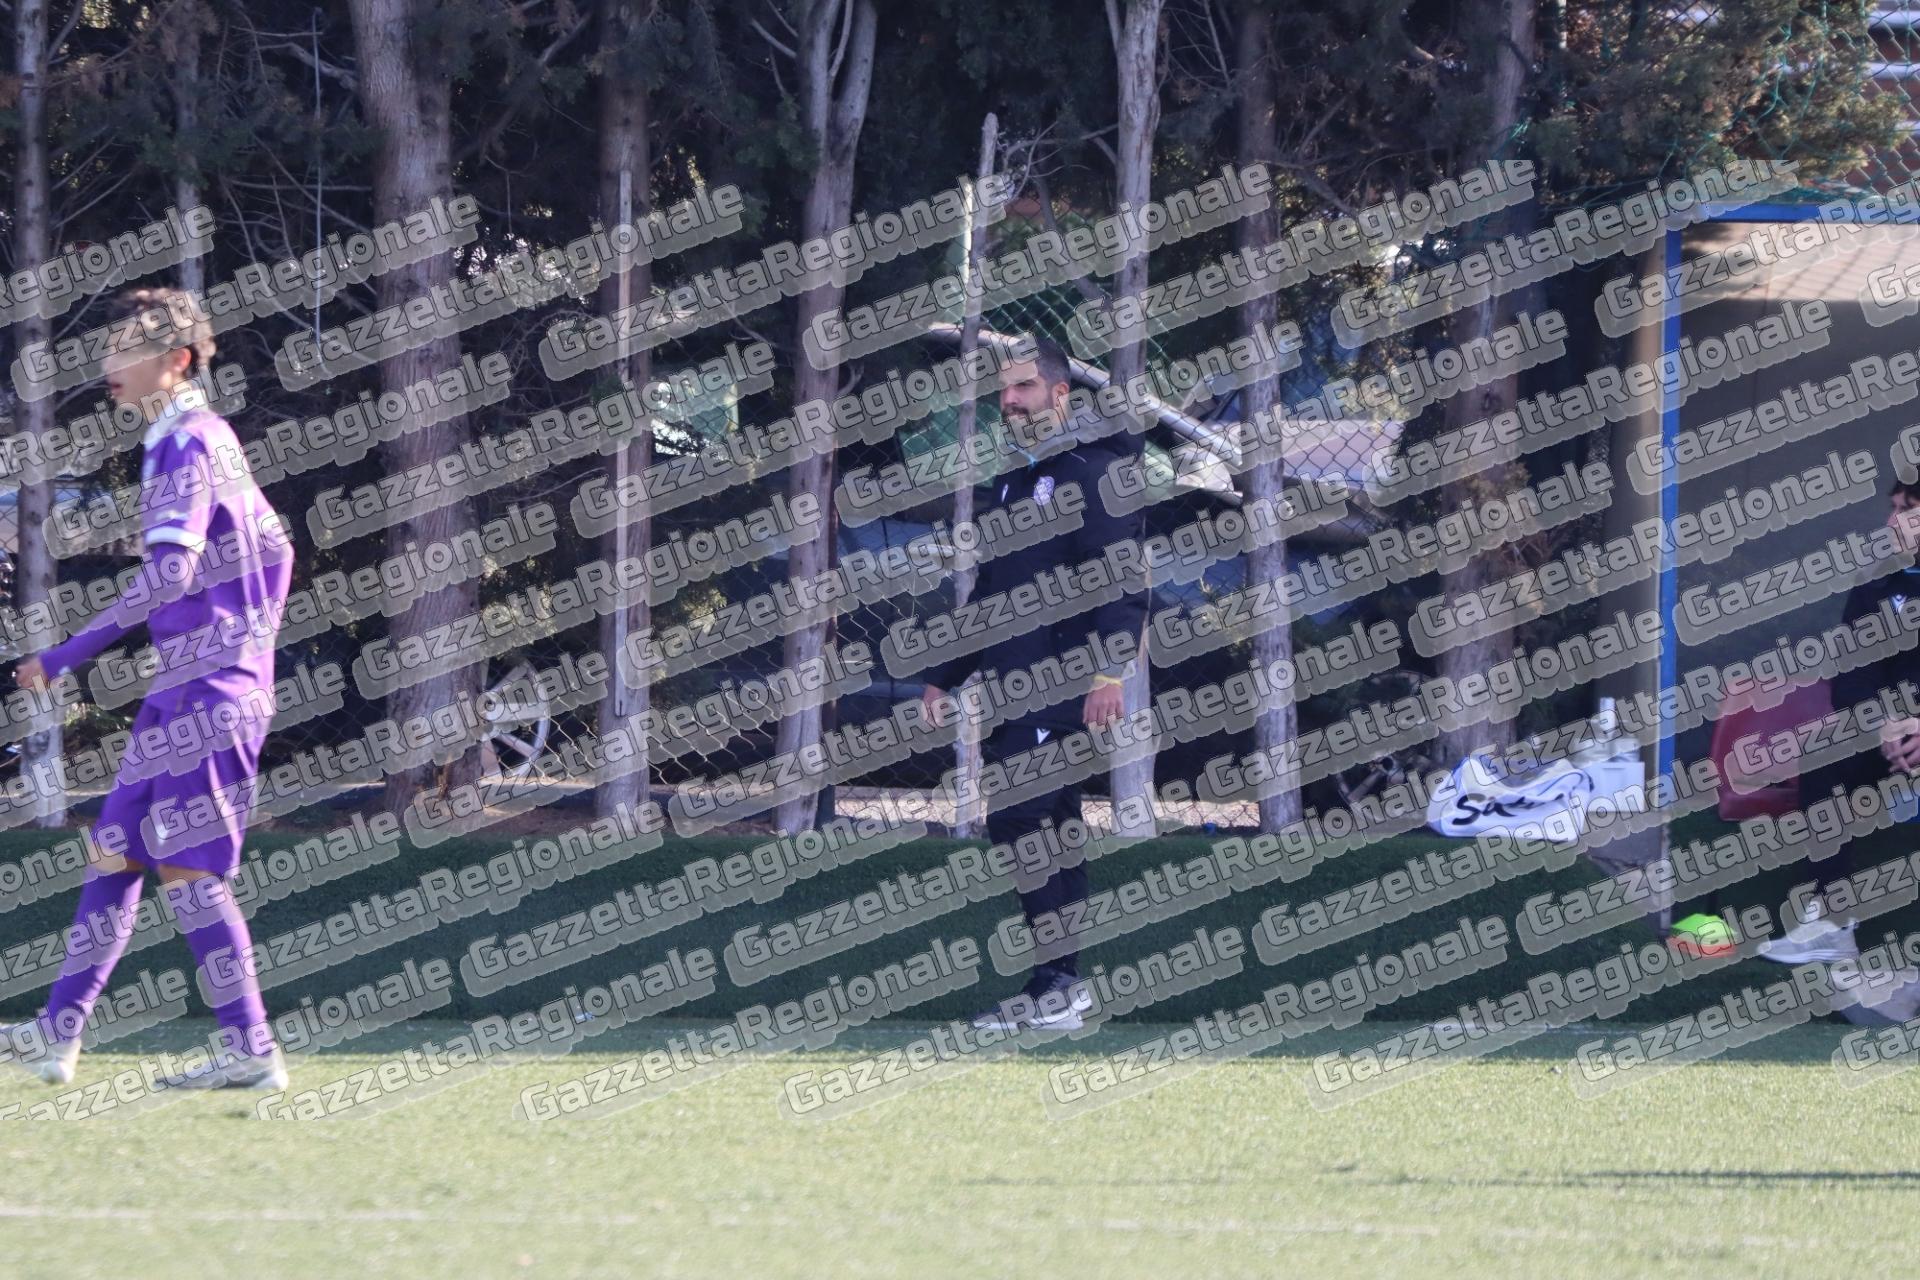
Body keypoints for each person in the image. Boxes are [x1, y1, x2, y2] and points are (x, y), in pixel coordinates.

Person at [1, 286, 295, 1089]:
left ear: (176, 360)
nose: (109, 362)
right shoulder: (205, 436)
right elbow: (278, 551)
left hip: (209, 695)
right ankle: (55, 1035)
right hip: (190, 690)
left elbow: (170, 575)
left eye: (127, 349)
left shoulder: (187, 442)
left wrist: (65, 655)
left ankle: (250, 1049)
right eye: (108, 348)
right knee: (115, 854)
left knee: (189, 872)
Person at [919, 334, 1148, 1033]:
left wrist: (1109, 672)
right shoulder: (1015, 481)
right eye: (1005, 390)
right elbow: (992, 591)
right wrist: (944, 676)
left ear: (1060, 393)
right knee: (1055, 825)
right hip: (1013, 688)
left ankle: (1056, 984)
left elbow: (1123, 579)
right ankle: (1061, 988)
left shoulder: (1096, 471)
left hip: (1065, 684)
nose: (1010, 401)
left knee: (1018, 818)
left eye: (1024, 387)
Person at [1760, 475, 1920, 966]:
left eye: (1906, 510)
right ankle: (1832, 922)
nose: (1891, 522)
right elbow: (1851, 675)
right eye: (1893, 509)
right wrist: (1885, 724)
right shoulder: (1878, 581)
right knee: (1825, 752)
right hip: (1892, 740)